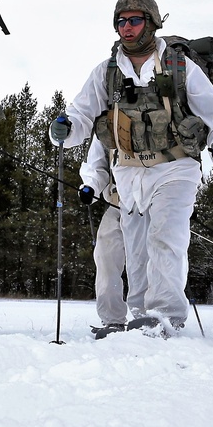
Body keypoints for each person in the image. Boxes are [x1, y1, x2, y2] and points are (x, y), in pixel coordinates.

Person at [49, 0, 213, 335]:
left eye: (134, 20)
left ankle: (166, 315)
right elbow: (81, 114)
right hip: (128, 172)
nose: (126, 28)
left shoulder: (180, 67)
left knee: (166, 237)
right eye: (121, 22)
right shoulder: (106, 72)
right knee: (136, 249)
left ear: (151, 23)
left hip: (176, 167)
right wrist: (65, 127)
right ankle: (140, 317)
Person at [78, 137, 131, 339]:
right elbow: (96, 166)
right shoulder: (106, 124)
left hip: (153, 206)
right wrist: (90, 187)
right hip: (117, 204)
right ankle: (112, 319)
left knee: (146, 261)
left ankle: (152, 318)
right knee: (106, 256)